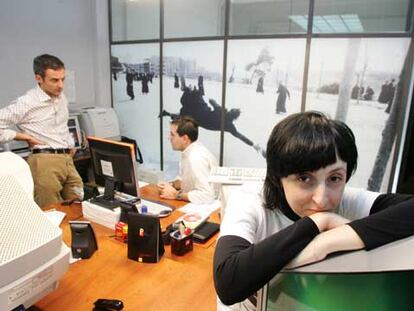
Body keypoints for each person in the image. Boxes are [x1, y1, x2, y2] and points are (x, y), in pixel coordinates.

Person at [213, 111, 414, 310]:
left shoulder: (348, 200)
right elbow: (228, 283)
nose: (321, 198)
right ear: (277, 177)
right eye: (304, 178)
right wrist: (319, 223)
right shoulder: (250, 200)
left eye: (335, 178)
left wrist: (325, 242)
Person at [0, 54, 84, 208]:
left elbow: (61, 125)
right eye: (54, 80)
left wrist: (70, 144)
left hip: (67, 159)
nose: (60, 85)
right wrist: (20, 136)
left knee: (78, 205)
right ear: (38, 78)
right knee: (51, 211)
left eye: (62, 79)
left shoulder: (61, 97)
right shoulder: (27, 102)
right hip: (44, 162)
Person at [159, 87, 265, 157]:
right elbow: (240, 136)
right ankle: (168, 113)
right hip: (201, 120)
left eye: (231, 110)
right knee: (183, 117)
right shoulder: (230, 126)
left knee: (184, 114)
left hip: (202, 114)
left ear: (231, 113)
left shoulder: (222, 111)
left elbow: (211, 100)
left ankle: (168, 112)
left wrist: (217, 104)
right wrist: (253, 144)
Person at [157, 116, 218, 204]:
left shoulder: (196, 158)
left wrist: (175, 194)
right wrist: (170, 185)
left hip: (207, 208)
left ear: (185, 139)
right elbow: (184, 179)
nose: (169, 137)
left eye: (172, 134)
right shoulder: (188, 151)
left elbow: (207, 196)